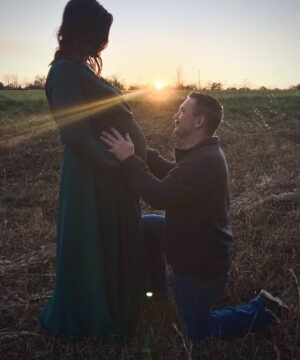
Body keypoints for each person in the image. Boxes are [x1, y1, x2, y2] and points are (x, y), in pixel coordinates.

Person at [100, 92, 286, 340]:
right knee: (147, 227)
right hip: (192, 237)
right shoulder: (202, 154)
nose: (176, 115)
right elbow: (173, 174)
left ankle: (263, 309)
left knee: (199, 332)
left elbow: (159, 194)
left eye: (183, 111)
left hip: (200, 266)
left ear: (199, 121)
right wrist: (142, 152)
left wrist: (129, 159)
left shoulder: (203, 162)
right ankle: (158, 289)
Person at [41, 0, 149, 339]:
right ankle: (94, 314)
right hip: (93, 176)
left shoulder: (82, 68)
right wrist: (117, 167)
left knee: (113, 239)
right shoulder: (64, 72)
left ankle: (119, 301)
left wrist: (131, 162)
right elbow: (74, 133)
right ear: (86, 29)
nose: (106, 38)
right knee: (95, 242)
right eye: (103, 30)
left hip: (110, 174)